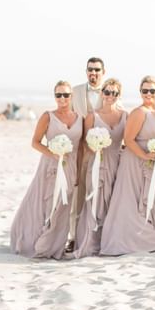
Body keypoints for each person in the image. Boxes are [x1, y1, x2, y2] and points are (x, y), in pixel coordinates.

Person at [100, 76, 155, 255]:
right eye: (144, 91)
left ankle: (153, 241)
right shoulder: (139, 113)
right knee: (132, 201)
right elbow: (129, 140)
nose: (148, 94)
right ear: (140, 93)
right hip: (135, 162)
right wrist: (145, 155)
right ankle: (127, 242)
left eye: (152, 91)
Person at [10, 81, 82, 259]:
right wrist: (53, 153)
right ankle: (37, 243)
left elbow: (81, 148)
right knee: (46, 205)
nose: (62, 98)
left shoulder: (80, 118)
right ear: (55, 97)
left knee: (63, 207)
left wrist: (79, 172)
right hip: (50, 167)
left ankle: (54, 246)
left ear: (71, 96)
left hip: (71, 167)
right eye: (58, 95)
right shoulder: (47, 116)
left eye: (66, 95)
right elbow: (35, 142)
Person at [72, 78, 126, 258]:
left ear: (119, 95)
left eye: (115, 93)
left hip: (118, 164)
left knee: (113, 203)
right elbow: (84, 143)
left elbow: (132, 138)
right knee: (94, 201)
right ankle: (90, 242)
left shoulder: (125, 115)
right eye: (107, 92)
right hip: (96, 163)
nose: (110, 96)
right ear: (102, 93)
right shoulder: (91, 116)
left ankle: (109, 242)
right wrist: (95, 146)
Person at [68, 56, 106, 252]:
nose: (93, 73)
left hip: (103, 153)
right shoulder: (75, 92)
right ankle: (74, 237)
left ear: (103, 72)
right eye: (90, 69)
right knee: (78, 195)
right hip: (81, 151)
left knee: (100, 196)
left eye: (97, 70)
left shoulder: (110, 91)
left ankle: (97, 237)